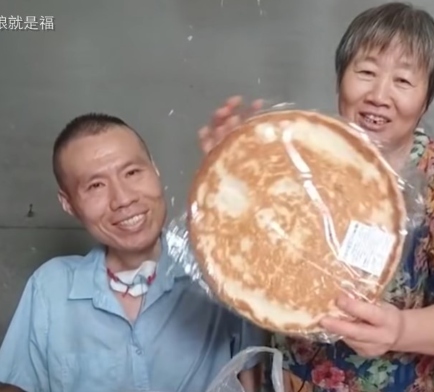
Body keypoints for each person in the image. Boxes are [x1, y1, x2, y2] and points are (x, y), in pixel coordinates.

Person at [197, 2, 434, 391]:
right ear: (341, 80)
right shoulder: (299, 154)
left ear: (426, 100)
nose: (379, 95)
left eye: (402, 81)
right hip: (295, 381)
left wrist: (398, 329)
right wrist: (230, 178)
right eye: (366, 72)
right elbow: (251, 260)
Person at [0, 114, 263, 392]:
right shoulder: (50, 288)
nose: (124, 199)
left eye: (133, 173)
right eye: (96, 185)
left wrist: (246, 191)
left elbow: (258, 379)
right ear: (69, 204)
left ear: (155, 170)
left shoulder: (217, 270)